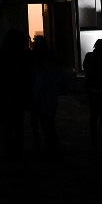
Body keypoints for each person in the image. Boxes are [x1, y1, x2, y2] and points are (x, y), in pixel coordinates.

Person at [0, 27, 33, 160]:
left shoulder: (1, 54)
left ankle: (9, 151)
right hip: (18, 94)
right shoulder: (24, 55)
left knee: (8, 125)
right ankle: (18, 151)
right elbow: (28, 75)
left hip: (6, 94)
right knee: (18, 124)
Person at [31, 35, 63, 163]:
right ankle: (50, 146)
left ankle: (42, 146)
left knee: (39, 123)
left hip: (39, 93)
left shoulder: (34, 58)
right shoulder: (50, 59)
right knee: (48, 123)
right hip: (49, 95)